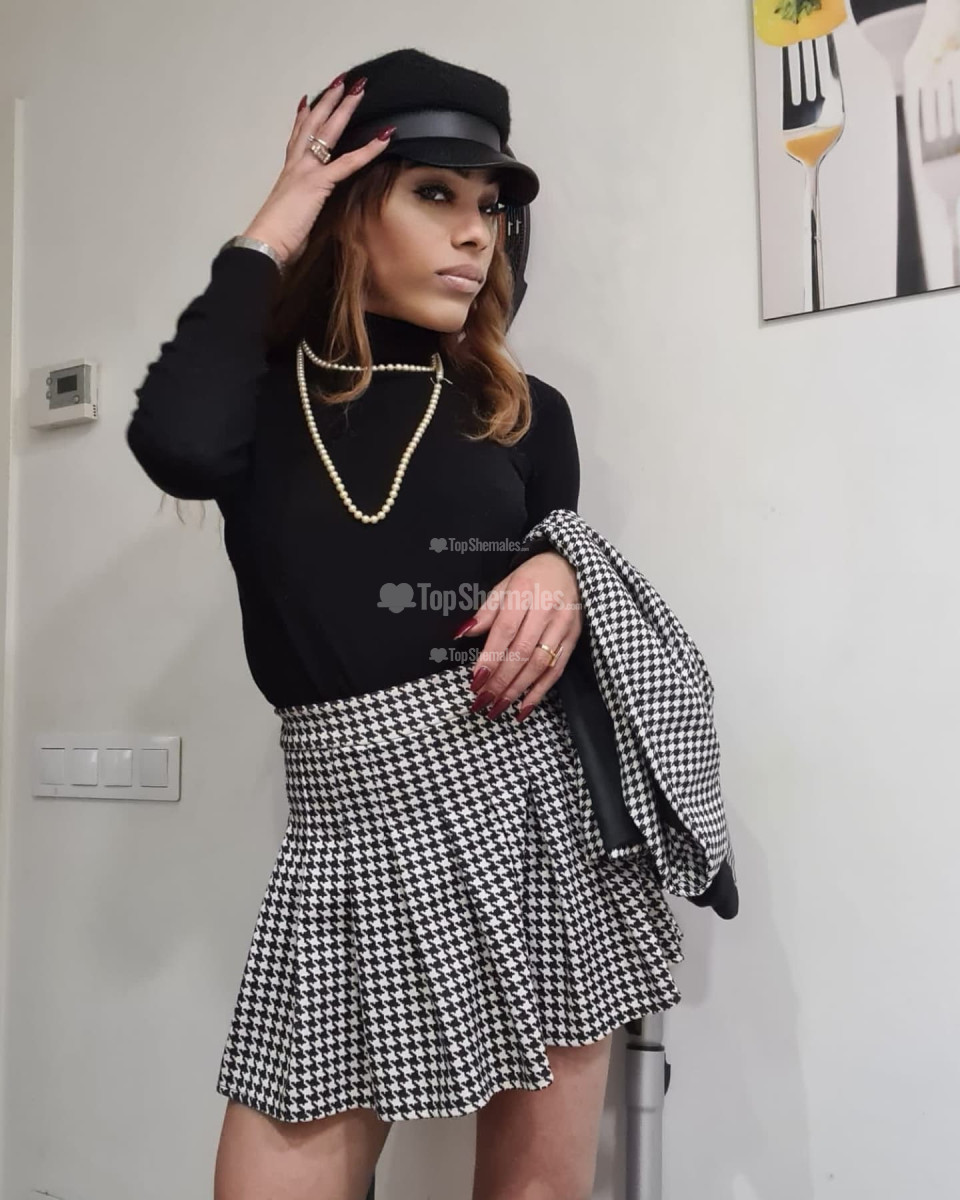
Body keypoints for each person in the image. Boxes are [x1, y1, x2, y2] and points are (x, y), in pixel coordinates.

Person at [126, 47, 685, 1200]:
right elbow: (176, 445)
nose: (476, 233)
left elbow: (554, 549)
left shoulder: (522, 410)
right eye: (434, 193)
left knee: (533, 1191)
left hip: (530, 810)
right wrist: (275, 222)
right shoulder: (256, 389)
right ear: (346, 207)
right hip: (346, 832)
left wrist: (562, 567)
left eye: (492, 206)